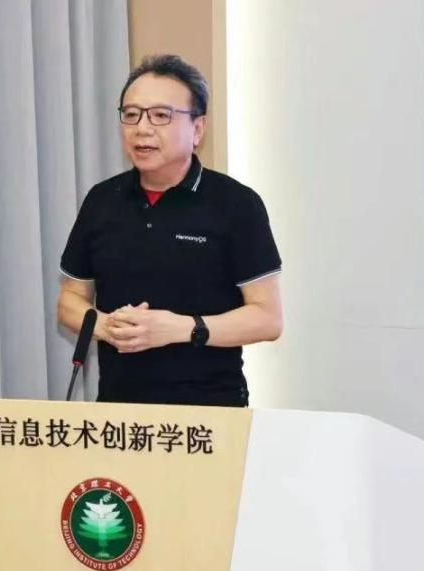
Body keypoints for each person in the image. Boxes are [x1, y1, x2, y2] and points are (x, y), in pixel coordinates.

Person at [57, 54, 282, 407]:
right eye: (131, 114)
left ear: (197, 129)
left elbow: (267, 318)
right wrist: (104, 326)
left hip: (210, 412)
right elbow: (71, 299)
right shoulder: (102, 200)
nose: (142, 128)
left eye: (160, 115)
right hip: (119, 409)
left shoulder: (236, 204)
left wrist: (181, 329)